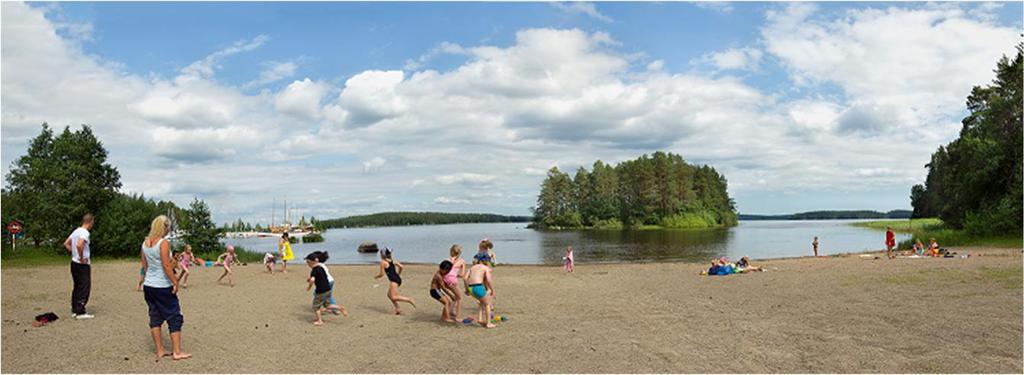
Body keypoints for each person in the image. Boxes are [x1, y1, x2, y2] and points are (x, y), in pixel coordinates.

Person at [140, 215, 190, 361]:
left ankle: (160, 350)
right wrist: (175, 282)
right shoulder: (163, 243)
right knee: (174, 316)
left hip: (149, 285)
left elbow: (145, 265)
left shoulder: (145, 243)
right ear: (164, 227)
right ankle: (177, 351)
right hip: (162, 286)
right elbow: (166, 266)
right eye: (169, 227)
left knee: (155, 316)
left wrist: (173, 262)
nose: (169, 230)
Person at [64, 214, 94, 319]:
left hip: (74, 263)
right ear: (90, 222)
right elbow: (80, 244)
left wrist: (75, 254)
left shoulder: (76, 231)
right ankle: (80, 311)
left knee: (77, 286)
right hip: (82, 265)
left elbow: (66, 243)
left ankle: (75, 309)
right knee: (84, 286)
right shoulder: (85, 232)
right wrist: (81, 257)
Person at [306, 252, 347, 326]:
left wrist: (309, 287)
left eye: (308, 262)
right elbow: (321, 277)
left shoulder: (314, 270)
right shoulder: (322, 267)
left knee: (315, 307)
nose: (307, 264)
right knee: (328, 305)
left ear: (311, 262)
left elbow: (312, 280)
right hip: (327, 289)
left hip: (321, 291)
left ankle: (319, 320)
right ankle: (340, 308)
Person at [374, 248, 416, 315]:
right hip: (397, 279)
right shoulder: (392, 261)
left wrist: (376, 277)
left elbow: (381, 274)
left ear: (383, 255)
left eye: (380, 253)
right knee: (389, 295)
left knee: (393, 296)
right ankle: (398, 309)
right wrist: (398, 274)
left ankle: (409, 299)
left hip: (394, 280)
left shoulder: (383, 262)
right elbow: (401, 266)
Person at [466, 259, 496, 328]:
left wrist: (466, 289)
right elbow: (488, 280)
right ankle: (489, 323)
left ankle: (480, 319)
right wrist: (492, 289)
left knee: (481, 302)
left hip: (470, 288)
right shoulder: (485, 268)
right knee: (487, 304)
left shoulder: (472, 267)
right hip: (478, 287)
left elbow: (465, 278)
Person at [444, 244, 467, 319]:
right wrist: (456, 275)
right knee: (459, 298)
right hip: (452, 281)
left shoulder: (447, 260)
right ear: (460, 253)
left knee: (455, 296)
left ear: (451, 252)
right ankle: (458, 316)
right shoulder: (462, 261)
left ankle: (451, 311)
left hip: (445, 280)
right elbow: (462, 274)